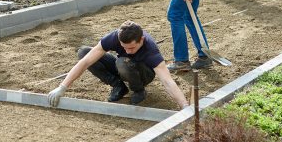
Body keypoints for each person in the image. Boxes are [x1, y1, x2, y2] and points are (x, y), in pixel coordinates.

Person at [47, 21, 189, 109]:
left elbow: (167, 81)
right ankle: (119, 86)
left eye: (132, 48)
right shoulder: (113, 37)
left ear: (141, 40)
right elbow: (85, 62)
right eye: (123, 47)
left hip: (143, 73)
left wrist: (184, 106)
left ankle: (138, 90)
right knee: (84, 52)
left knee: (123, 61)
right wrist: (62, 87)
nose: (127, 50)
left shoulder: (150, 49)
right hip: (123, 67)